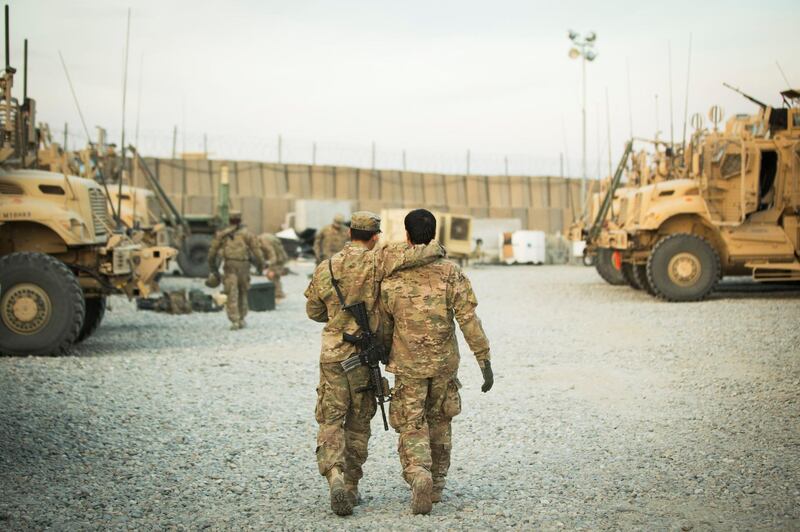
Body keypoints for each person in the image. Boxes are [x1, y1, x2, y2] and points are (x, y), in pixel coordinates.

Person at [304, 211, 444, 517]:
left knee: (330, 419)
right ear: (375, 235)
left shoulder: (325, 267)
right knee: (358, 421)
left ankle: (335, 476)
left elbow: (313, 311)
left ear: (349, 233)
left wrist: (335, 316)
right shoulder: (377, 261)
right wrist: (436, 249)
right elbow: (411, 256)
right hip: (362, 354)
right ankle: (351, 487)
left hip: (332, 355)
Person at [380, 208, 493, 515]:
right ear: (435, 234)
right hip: (443, 366)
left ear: (407, 235)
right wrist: (484, 361)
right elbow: (469, 319)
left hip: (408, 365)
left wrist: (382, 354)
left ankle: (419, 474)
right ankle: (438, 484)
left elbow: (384, 326)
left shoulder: (393, 278)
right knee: (441, 421)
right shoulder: (451, 274)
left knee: (412, 422)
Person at [207, 211, 265, 330]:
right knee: (243, 292)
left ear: (229, 220)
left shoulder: (222, 235)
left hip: (230, 266)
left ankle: (234, 320)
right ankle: (242, 318)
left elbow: (212, 253)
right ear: (240, 220)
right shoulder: (247, 235)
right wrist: (260, 266)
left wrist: (213, 269)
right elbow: (257, 252)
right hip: (244, 266)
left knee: (231, 293)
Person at [258, 232, 289, 299]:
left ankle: (278, 294)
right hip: (280, 257)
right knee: (274, 276)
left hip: (278, 259)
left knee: (272, 275)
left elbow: (273, 256)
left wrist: (271, 268)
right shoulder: (263, 237)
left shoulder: (264, 242)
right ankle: (278, 293)